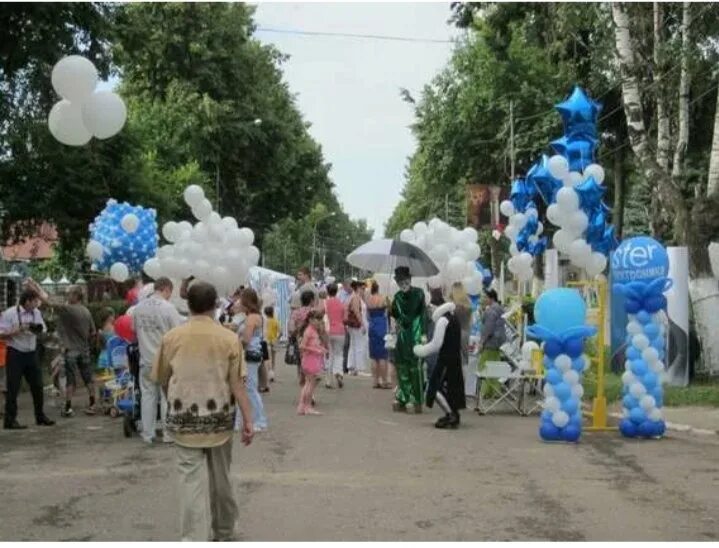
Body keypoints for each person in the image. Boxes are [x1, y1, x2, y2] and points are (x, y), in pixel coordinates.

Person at [151, 281, 254, 542]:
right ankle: (224, 530)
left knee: (190, 484)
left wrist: (173, 403)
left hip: (183, 421)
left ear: (188, 305)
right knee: (222, 478)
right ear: (215, 305)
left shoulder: (172, 338)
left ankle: (193, 539)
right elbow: (237, 385)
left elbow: (163, 379)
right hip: (220, 420)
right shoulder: (229, 339)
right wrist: (248, 420)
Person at [31, 281, 98, 417]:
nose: (67, 296)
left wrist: (35, 291)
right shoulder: (86, 311)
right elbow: (93, 332)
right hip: (84, 349)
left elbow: (48, 303)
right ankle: (92, 404)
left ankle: (68, 407)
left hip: (71, 350)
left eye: (69, 293)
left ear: (75, 296)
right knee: (87, 378)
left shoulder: (69, 309)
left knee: (70, 379)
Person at [133, 277, 184, 444]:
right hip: (164, 360)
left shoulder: (138, 308)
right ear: (166, 289)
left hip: (145, 359)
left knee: (147, 397)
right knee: (166, 397)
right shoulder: (168, 308)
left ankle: (148, 434)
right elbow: (178, 334)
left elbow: (134, 330)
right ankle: (168, 434)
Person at [1, 287, 55, 429]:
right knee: (13, 387)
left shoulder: (36, 313)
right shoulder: (10, 313)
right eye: (35, 301)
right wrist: (18, 330)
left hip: (31, 352)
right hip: (15, 352)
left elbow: (42, 329)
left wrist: (35, 329)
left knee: (38, 386)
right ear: (27, 301)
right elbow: (1, 334)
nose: (37, 304)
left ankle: (40, 416)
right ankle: (10, 420)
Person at [414, 295, 465, 429]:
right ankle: (454, 413)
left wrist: (421, 350)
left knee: (434, 387)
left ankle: (450, 414)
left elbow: (436, 344)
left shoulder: (442, 320)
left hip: (445, 359)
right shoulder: (454, 319)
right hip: (455, 359)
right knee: (451, 388)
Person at [389, 267, 426, 414]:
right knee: (401, 365)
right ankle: (404, 396)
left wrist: (423, 333)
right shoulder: (397, 297)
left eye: (405, 280)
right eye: (399, 281)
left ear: (410, 280)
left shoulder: (419, 293)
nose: (402, 283)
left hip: (415, 334)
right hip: (403, 336)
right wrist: (391, 309)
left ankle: (416, 399)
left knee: (415, 367)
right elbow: (399, 317)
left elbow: (422, 313)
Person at [236, 288, 268, 433]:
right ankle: (246, 420)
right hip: (253, 354)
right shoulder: (255, 316)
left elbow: (246, 339)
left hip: (249, 354)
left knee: (249, 388)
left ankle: (259, 420)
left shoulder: (251, 318)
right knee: (246, 388)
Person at [477, 289, 506, 396]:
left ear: (491, 298)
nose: (483, 299)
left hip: (490, 342)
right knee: (495, 366)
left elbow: (487, 328)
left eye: (485, 297)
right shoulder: (501, 309)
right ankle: (494, 390)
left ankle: (485, 391)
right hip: (499, 342)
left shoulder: (490, 311)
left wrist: (481, 342)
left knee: (485, 366)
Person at [298, 310, 327, 415]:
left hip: (312, 359)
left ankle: (302, 406)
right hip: (310, 360)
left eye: (320, 319)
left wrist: (321, 348)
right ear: (310, 320)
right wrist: (317, 350)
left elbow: (311, 345)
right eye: (317, 319)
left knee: (308, 384)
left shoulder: (312, 330)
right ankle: (307, 406)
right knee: (310, 384)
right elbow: (302, 346)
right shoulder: (309, 331)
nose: (319, 322)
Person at [450, 282, 473, 396]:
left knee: (455, 360)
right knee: (465, 360)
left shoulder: (454, 306)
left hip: (455, 333)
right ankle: (465, 387)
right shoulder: (468, 304)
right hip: (466, 332)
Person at [367, 281, 390, 389]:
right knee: (382, 355)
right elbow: (389, 309)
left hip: (372, 325)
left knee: (373, 355)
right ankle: (384, 380)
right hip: (381, 325)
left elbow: (368, 314)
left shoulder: (369, 299)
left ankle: (375, 381)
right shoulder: (382, 298)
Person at [324, 283, 345, 389]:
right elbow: (344, 318)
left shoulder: (325, 303)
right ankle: (339, 373)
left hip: (328, 331)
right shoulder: (341, 303)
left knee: (329, 355)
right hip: (340, 331)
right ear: (337, 291)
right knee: (339, 354)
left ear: (328, 291)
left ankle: (328, 380)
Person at [345, 281, 367, 376]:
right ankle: (359, 368)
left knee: (353, 345)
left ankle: (352, 366)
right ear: (358, 288)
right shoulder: (356, 297)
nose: (363, 291)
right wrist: (362, 324)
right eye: (362, 289)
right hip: (357, 324)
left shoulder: (353, 297)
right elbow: (357, 311)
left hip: (353, 325)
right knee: (359, 345)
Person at [337, 279, 353, 374]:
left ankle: (348, 366)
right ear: (345, 286)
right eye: (349, 286)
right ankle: (344, 366)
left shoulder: (354, 294)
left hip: (352, 323)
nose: (350, 288)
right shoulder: (340, 295)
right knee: (345, 345)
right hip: (343, 323)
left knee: (350, 345)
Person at [264, 306, 279, 383]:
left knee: (268, 359)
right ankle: (273, 374)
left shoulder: (265, 321)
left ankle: (269, 374)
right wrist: (277, 338)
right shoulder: (275, 321)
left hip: (267, 341)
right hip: (274, 340)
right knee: (273, 359)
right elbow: (281, 332)